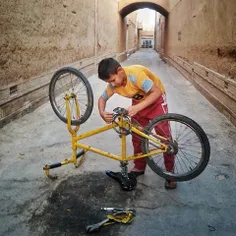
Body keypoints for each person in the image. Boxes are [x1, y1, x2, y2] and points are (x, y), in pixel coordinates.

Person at [97, 58, 177, 189]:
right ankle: (139, 167)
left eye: (112, 80)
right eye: (108, 82)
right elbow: (102, 98)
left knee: (164, 137)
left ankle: (170, 174)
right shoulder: (113, 85)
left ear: (120, 71)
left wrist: (138, 108)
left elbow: (156, 92)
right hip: (139, 103)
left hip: (155, 101)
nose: (112, 84)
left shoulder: (135, 76)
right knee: (137, 135)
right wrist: (101, 111)